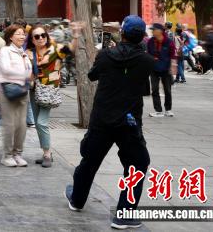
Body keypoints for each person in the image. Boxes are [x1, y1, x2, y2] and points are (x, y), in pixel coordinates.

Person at [65, 15, 154, 230]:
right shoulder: (147, 61)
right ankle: (124, 215)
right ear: (142, 36)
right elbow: (144, 89)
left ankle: (77, 199)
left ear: (122, 33)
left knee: (90, 161)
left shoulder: (105, 55)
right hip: (129, 122)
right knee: (137, 164)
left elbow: (92, 75)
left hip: (102, 119)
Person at [27, 23, 79, 167]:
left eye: (43, 35)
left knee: (41, 122)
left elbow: (71, 49)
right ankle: (45, 150)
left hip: (49, 90)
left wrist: (75, 35)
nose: (40, 38)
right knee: (37, 123)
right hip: (33, 90)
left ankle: (47, 153)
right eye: (37, 36)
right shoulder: (29, 53)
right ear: (32, 39)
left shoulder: (55, 49)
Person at [0, 24, 32, 168]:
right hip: (8, 90)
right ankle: (7, 155)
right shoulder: (5, 51)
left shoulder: (23, 52)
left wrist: (28, 73)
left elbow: (29, 70)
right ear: (10, 37)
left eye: (23, 34)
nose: (22, 36)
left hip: (23, 90)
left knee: (21, 125)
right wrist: (25, 75)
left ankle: (18, 153)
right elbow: (6, 69)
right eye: (18, 33)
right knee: (10, 125)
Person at [146, 23, 176, 118]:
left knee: (167, 90)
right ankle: (158, 110)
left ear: (160, 31)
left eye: (154, 30)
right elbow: (148, 54)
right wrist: (151, 58)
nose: (152, 32)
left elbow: (173, 55)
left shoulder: (169, 42)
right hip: (154, 69)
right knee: (154, 89)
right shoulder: (150, 41)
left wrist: (173, 70)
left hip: (166, 69)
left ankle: (168, 109)